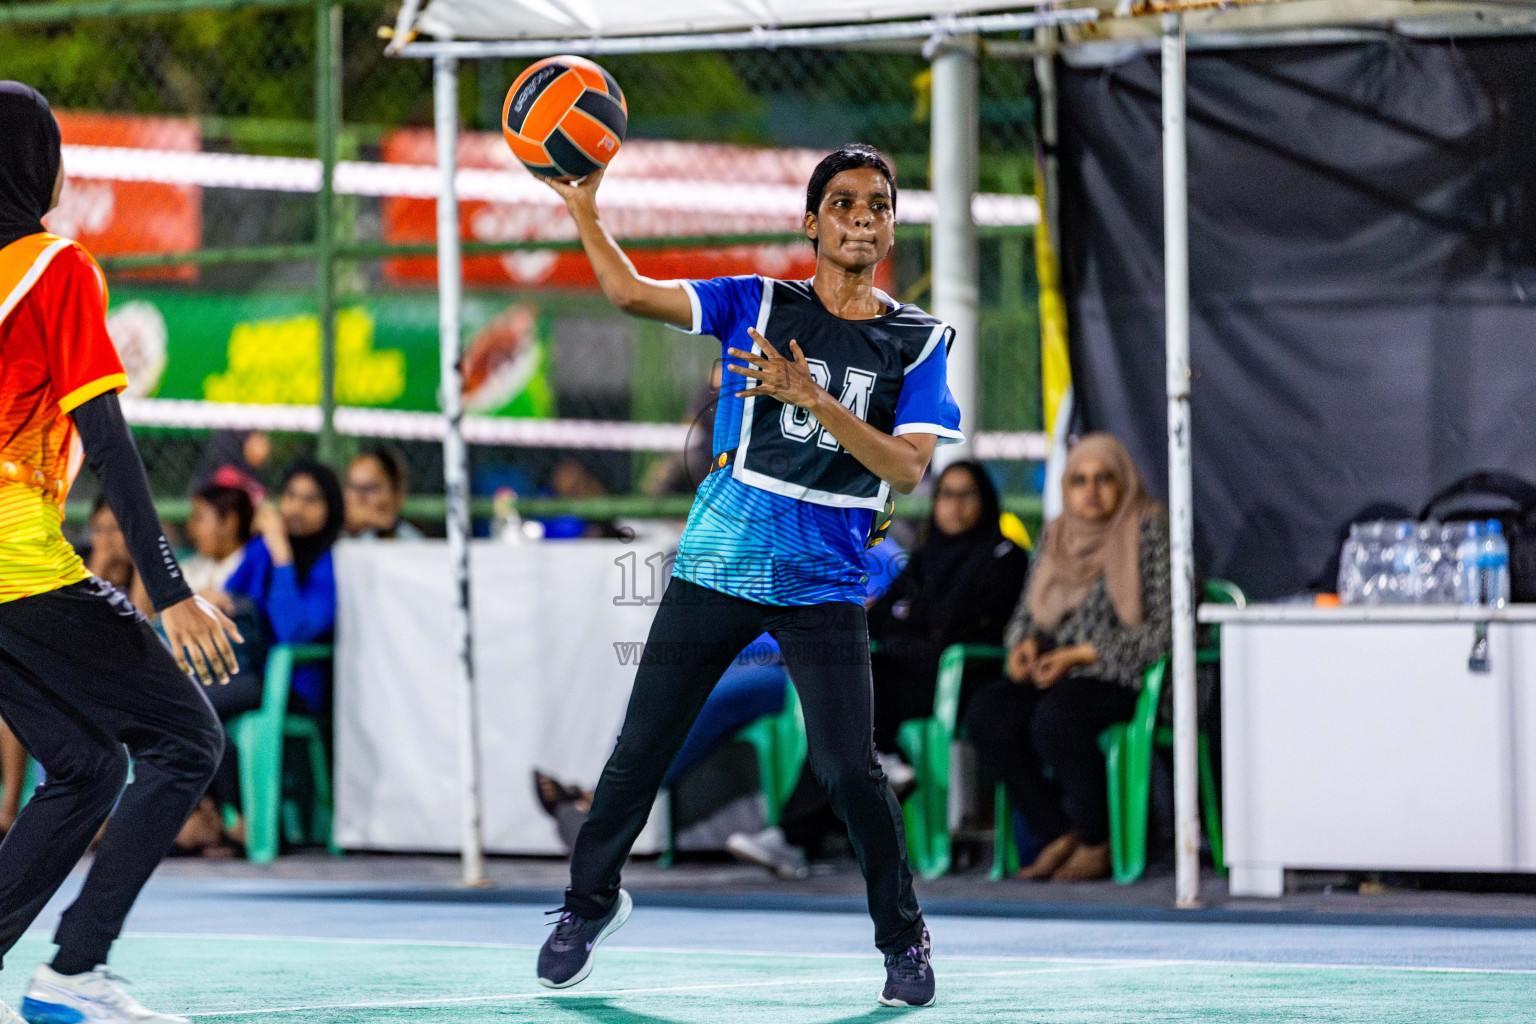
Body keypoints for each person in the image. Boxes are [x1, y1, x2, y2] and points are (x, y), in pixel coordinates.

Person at [532, 143, 959, 1008]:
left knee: (848, 770)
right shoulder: (757, 302)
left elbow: (909, 470)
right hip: (719, 563)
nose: (862, 217)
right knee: (640, 748)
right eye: (843, 203)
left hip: (825, 581)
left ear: (890, 226)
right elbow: (627, 293)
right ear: (811, 223)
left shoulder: (917, 343)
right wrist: (584, 208)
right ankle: (587, 905)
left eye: (878, 204)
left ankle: (903, 935)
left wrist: (817, 402)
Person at [0, 81, 241, 1024]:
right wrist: (169, 588)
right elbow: (107, 438)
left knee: (87, 766)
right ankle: (73, 972)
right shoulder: (54, 267)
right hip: (18, 562)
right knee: (187, 741)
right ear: (39, 165)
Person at [727, 462, 1028, 877]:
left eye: (966, 495)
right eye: (946, 495)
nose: (954, 506)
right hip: (903, 679)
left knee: (855, 708)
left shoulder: (1005, 556)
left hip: (963, 683)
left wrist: (916, 621)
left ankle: (798, 834)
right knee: (843, 711)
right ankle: (848, 790)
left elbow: (959, 620)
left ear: (987, 501)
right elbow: (886, 616)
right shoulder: (924, 560)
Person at [965, 433, 1171, 883]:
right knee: (987, 713)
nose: (1091, 491)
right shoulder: (1058, 533)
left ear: (1125, 483)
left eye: (1104, 479)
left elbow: (1167, 629)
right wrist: (1023, 645)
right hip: (1060, 671)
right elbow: (1028, 613)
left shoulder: (1150, 529)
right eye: (1079, 480)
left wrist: (1081, 654)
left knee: (1058, 717)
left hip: (1126, 675)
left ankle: (1097, 842)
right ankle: (1056, 832)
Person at [221, 458, 343, 720]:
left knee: (204, 704)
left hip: (290, 686)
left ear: (330, 509)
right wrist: (213, 598)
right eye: (290, 495)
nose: (296, 508)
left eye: (311, 500)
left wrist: (282, 556)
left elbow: (293, 631)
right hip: (246, 671)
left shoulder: (331, 564)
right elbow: (227, 596)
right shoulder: (261, 550)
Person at [183, 483, 254, 594]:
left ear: (229, 523)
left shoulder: (254, 573)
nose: (190, 528)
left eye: (199, 518)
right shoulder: (192, 569)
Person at [343, 445, 423, 540]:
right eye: (352, 487)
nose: (357, 498)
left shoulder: (412, 541)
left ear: (397, 494)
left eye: (369, 488)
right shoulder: (336, 534)